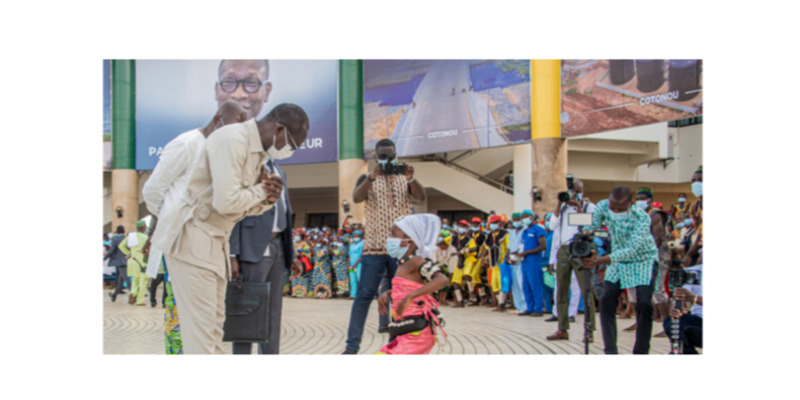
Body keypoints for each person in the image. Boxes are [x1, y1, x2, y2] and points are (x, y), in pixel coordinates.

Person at [150, 103, 308, 354]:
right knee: (201, 336)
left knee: (214, 330)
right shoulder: (232, 139)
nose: (290, 151)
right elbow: (226, 202)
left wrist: (266, 201)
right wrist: (261, 191)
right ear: (279, 129)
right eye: (292, 144)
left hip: (216, 240)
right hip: (194, 236)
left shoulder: (256, 153)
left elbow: (241, 208)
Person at [343, 138, 425, 354]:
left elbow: (421, 196)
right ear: (375, 156)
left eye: (390, 155)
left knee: (399, 295)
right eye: (382, 155)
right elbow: (356, 197)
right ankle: (351, 348)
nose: (386, 159)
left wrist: (412, 178)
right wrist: (371, 177)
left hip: (401, 248)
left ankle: (396, 346)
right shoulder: (367, 177)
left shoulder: (405, 176)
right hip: (374, 248)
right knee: (364, 296)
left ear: (395, 154)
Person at [581, 185, 660, 354]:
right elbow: (593, 227)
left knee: (644, 303)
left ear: (631, 204)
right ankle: (610, 349)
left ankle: (641, 350)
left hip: (642, 259)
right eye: (613, 208)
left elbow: (632, 249)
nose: (615, 212)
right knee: (607, 299)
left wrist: (600, 260)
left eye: (621, 209)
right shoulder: (602, 206)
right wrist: (589, 241)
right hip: (617, 259)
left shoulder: (642, 218)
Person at [376, 214, 448, 354]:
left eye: (393, 234)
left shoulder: (416, 261)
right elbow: (409, 286)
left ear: (410, 240)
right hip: (406, 331)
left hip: (417, 333)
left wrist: (410, 296)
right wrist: (388, 293)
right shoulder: (404, 263)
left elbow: (442, 280)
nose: (389, 239)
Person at [545, 178, 596, 329]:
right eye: (570, 191)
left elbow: (586, 228)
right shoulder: (563, 208)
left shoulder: (589, 206)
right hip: (563, 250)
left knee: (585, 290)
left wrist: (578, 207)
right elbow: (552, 226)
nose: (573, 194)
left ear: (582, 192)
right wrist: (559, 204)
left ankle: (590, 328)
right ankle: (562, 328)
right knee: (561, 289)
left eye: (576, 191)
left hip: (580, 249)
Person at [623, 187, 671, 332]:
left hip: (656, 255)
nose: (640, 201)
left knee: (657, 288)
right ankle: (639, 320)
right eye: (638, 198)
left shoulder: (655, 214)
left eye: (643, 198)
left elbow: (658, 237)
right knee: (632, 288)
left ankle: (667, 324)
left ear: (650, 199)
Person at [663, 264, 703, 354]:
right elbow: (681, 300)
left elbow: (692, 297)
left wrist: (695, 298)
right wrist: (676, 310)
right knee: (672, 322)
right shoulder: (694, 272)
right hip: (699, 321)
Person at [518, 210, 547, 317]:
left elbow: (543, 246)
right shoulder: (525, 232)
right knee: (526, 285)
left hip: (534, 261)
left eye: (526, 216)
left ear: (531, 217)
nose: (524, 218)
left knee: (536, 285)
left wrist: (527, 252)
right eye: (523, 217)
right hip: (524, 262)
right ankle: (529, 307)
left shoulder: (537, 229)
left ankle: (538, 308)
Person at [481, 215, 509, 311]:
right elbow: (486, 247)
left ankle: (502, 304)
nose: (493, 225)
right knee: (494, 284)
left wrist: (507, 258)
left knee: (502, 284)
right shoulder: (489, 236)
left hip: (503, 263)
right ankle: (499, 303)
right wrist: (482, 258)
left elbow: (509, 247)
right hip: (493, 264)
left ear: (499, 224)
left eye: (495, 223)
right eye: (492, 223)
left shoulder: (505, 234)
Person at [119, 221, 150, 306]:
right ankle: (140, 301)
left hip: (132, 260)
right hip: (141, 261)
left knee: (135, 279)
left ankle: (133, 293)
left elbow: (121, 246)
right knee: (143, 281)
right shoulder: (145, 237)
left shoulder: (131, 236)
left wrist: (129, 253)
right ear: (143, 227)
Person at [505, 213, 528, 314]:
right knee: (515, 285)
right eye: (514, 220)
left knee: (522, 284)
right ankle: (518, 306)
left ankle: (526, 306)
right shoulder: (512, 233)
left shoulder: (525, 231)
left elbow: (523, 246)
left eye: (517, 219)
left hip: (521, 260)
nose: (515, 222)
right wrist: (509, 257)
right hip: (512, 261)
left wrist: (516, 256)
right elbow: (509, 248)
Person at [463, 217, 488, 305]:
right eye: (473, 224)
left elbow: (485, 247)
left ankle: (482, 296)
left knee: (475, 275)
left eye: (477, 224)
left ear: (479, 225)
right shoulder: (468, 234)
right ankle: (473, 296)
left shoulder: (483, 235)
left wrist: (481, 257)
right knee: (467, 275)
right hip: (469, 258)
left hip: (479, 258)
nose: (475, 225)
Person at [683, 166, 703, 267]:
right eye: (694, 180)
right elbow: (701, 233)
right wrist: (689, 255)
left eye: (701, 180)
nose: (696, 183)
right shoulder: (696, 206)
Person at [105, 225, 129, 302]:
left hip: (119, 262)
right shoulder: (127, 239)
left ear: (117, 231)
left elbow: (111, 250)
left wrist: (105, 257)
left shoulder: (115, 239)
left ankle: (134, 294)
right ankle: (114, 295)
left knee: (126, 278)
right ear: (124, 231)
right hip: (127, 260)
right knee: (120, 280)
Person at [348, 230, 364, 299]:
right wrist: (348, 264)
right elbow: (349, 255)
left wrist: (355, 264)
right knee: (352, 280)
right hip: (351, 265)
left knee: (360, 279)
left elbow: (362, 255)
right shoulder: (352, 245)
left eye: (357, 236)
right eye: (355, 236)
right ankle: (353, 294)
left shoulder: (362, 244)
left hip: (359, 264)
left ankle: (361, 294)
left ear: (360, 237)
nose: (356, 237)